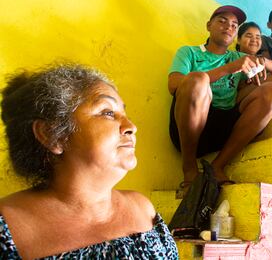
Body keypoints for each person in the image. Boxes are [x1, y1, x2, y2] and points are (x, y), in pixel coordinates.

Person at [0, 64, 178, 259]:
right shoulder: (8, 227)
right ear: (52, 135)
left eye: (124, 114)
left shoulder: (143, 209)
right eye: (107, 112)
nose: (131, 126)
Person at [168, 6, 272, 188]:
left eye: (234, 25)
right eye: (222, 21)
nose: (229, 27)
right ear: (208, 25)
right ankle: (189, 169)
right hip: (189, 128)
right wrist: (229, 69)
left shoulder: (239, 56)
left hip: (225, 129)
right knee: (197, 79)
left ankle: (218, 165)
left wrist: (262, 63)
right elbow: (173, 85)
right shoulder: (189, 52)